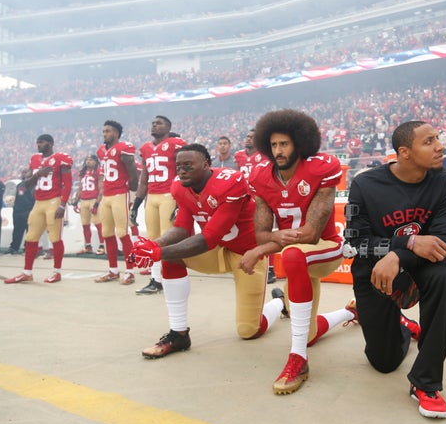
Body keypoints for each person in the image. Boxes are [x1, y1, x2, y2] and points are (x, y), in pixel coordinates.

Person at [345, 120, 446, 419]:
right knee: (383, 362)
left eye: (438, 138)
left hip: (421, 269)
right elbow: (356, 242)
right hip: (374, 273)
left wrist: (400, 256)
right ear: (405, 152)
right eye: (429, 141)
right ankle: (402, 325)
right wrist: (408, 243)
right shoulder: (364, 184)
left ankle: (425, 382)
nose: (440, 145)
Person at [127, 144, 285, 357]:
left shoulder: (230, 182)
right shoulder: (181, 187)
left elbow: (208, 238)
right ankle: (179, 333)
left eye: (188, 165)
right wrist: (156, 245)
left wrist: (157, 253)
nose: (182, 170)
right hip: (219, 250)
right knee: (173, 258)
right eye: (179, 165)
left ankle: (278, 302)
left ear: (206, 164)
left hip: (247, 255)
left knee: (249, 331)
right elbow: (182, 228)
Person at [242, 109, 358, 395]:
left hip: (326, 249)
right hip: (297, 256)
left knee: (294, 253)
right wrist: (267, 240)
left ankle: (298, 360)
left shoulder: (321, 168)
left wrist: (261, 249)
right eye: (273, 145)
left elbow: (310, 234)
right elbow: (260, 232)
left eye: (285, 144)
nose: (279, 151)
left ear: (299, 143)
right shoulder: (260, 177)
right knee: (307, 333)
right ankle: (349, 313)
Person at [4, 134, 73, 284]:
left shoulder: (60, 158)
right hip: (38, 202)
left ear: (50, 143)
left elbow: (68, 184)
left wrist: (62, 204)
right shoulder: (35, 159)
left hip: (54, 201)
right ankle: (27, 272)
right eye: (37, 142)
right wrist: (37, 174)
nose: (38, 145)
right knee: (30, 238)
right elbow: (26, 184)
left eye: (41, 142)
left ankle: (57, 272)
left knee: (55, 237)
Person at [131, 116, 186, 295]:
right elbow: (143, 180)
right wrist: (136, 205)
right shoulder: (146, 148)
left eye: (159, 123)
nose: (154, 124)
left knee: (167, 238)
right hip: (152, 197)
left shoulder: (175, 144)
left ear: (169, 128)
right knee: (152, 239)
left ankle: (172, 277)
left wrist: (180, 201)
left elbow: (183, 172)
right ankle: (156, 280)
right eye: (153, 122)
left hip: (169, 195)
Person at [94, 120, 139, 285]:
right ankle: (113, 270)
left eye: (109, 131)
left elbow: (134, 175)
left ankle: (130, 271)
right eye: (104, 131)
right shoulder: (101, 151)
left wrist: (132, 196)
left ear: (117, 133)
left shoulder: (123, 148)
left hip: (121, 194)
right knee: (107, 233)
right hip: (107, 195)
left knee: (123, 233)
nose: (105, 134)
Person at [233, 128, 276, 284]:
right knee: (246, 234)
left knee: (265, 233)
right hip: (244, 200)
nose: (248, 139)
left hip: (261, 198)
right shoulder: (238, 155)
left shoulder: (265, 155)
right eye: (247, 136)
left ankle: (270, 269)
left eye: (253, 137)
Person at [72, 154, 105, 255]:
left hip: (93, 200)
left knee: (98, 224)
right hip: (84, 201)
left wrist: (96, 204)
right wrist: (75, 201)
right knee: (85, 225)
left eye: (91, 160)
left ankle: (102, 246)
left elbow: (101, 189)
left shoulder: (99, 171)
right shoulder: (83, 173)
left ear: (95, 161)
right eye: (87, 159)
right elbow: (80, 188)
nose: (88, 161)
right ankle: (88, 246)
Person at [6, 168, 36, 255]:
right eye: (23, 172)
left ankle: (27, 248)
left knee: (29, 231)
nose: (24, 173)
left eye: (26, 172)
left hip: (29, 211)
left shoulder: (35, 184)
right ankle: (14, 248)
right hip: (18, 211)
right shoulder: (19, 184)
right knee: (17, 231)